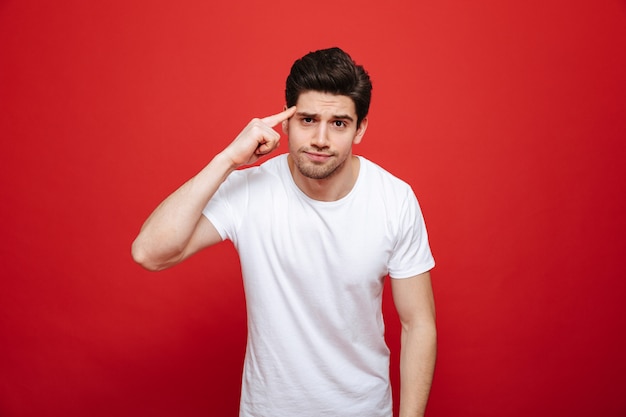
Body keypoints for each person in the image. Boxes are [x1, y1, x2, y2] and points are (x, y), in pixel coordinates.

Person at [132, 47, 436, 417]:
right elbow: (150, 253)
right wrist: (227, 159)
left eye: (339, 123)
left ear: (361, 129)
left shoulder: (394, 199)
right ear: (286, 121)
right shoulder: (251, 190)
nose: (321, 138)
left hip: (363, 409)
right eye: (307, 120)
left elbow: (417, 323)